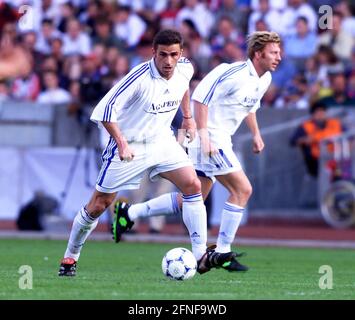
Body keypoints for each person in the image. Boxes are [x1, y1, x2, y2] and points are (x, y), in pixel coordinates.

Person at [58, 29, 235, 277]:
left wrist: (187, 117)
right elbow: (104, 111)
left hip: (162, 140)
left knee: (194, 185)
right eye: (163, 55)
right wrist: (120, 142)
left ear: (181, 53)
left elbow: (184, 86)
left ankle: (199, 255)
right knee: (98, 205)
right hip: (131, 144)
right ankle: (71, 256)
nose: (168, 61)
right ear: (153, 53)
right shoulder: (138, 78)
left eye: (174, 54)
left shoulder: (185, 68)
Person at [113, 31, 282, 272]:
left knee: (193, 198)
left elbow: (250, 107)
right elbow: (200, 99)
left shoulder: (263, 79)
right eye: (274, 52)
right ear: (258, 54)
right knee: (242, 189)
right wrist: (203, 136)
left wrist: (256, 134)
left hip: (220, 138)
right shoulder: (232, 72)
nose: (279, 57)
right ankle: (222, 251)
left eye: (279, 52)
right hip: (209, 137)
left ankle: (129, 213)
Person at [290, 101, 343, 178]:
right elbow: (293, 141)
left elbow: (349, 136)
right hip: (315, 161)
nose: (320, 115)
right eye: (317, 112)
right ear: (313, 114)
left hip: (336, 158)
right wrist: (305, 140)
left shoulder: (335, 123)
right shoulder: (306, 126)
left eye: (322, 112)